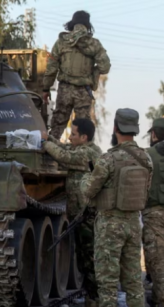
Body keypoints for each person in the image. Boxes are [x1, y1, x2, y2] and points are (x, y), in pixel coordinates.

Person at [81, 109, 152, 307]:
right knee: (134, 282)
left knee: (108, 284)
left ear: (115, 127)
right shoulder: (146, 159)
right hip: (134, 223)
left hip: (110, 225)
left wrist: (85, 178)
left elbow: (89, 190)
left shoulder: (108, 159)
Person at [41, 118, 102, 306]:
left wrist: (44, 143)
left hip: (88, 216)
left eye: (73, 134)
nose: (70, 138)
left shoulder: (89, 153)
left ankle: (96, 299)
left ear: (84, 137)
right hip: (80, 215)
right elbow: (65, 148)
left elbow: (64, 156)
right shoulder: (81, 148)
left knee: (90, 260)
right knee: (83, 259)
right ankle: (92, 297)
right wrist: (50, 138)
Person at [42, 10, 111, 140]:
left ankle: (51, 151)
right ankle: (81, 153)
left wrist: (46, 89)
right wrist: (93, 73)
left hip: (65, 90)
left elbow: (51, 68)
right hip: (84, 91)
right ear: (88, 25)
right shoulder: (94, 44)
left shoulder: (61, 42)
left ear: (72, 24)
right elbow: (105, 67)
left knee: (56, 128)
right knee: (83, 130)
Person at [144, 117, 164, 307]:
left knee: (157, 259)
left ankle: (160, 299)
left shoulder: (147, 155)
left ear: (154, 134)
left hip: (153, 213)